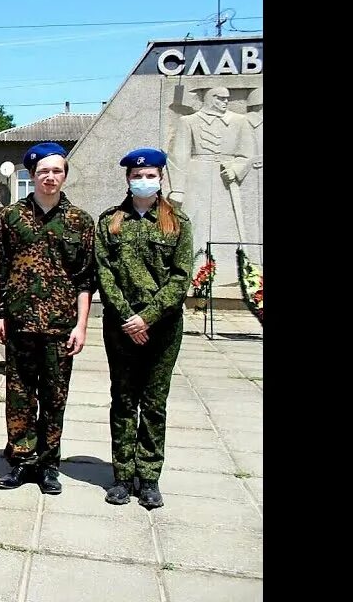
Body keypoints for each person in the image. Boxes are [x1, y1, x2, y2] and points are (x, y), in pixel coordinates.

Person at [0, 142, 96, 495]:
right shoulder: (11, 218)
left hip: (60, 327)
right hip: (20, 324)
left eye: (57, 171)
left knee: (55, 397)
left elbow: (85, 279)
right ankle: (21, 461)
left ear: (65, 175)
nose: (50, 177)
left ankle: (49, 464)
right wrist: (0, 314)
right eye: (43, 172)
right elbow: (1, 269)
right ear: (32, 176)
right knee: (19, 397)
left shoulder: (80, 221)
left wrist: (82, 325)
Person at [95, 148, 194, 510]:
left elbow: (181, 277)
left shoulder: (177, 222)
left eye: (150, 175)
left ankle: (149, 477)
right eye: (138, 176)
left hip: (163, 328)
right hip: (120, 327)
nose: (143, 180)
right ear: (128, 179)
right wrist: (126, 316)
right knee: (122, 400)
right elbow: (103, 272)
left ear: (161, 178)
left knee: (154, 403)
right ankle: (122, 475)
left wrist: (147, 317)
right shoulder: (110, 222)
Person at [168, 86, 257, 245]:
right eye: (220, 98)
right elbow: (179, 156)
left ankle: (233, 264)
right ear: (210, 98)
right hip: (196, 179)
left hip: (226, 179)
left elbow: (248, 153)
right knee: (194, 223)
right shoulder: (189, 121)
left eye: (227, 98)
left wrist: (236, 170)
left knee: (228, 223)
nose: (225, 102)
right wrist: (177, 189)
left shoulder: (239, 121)